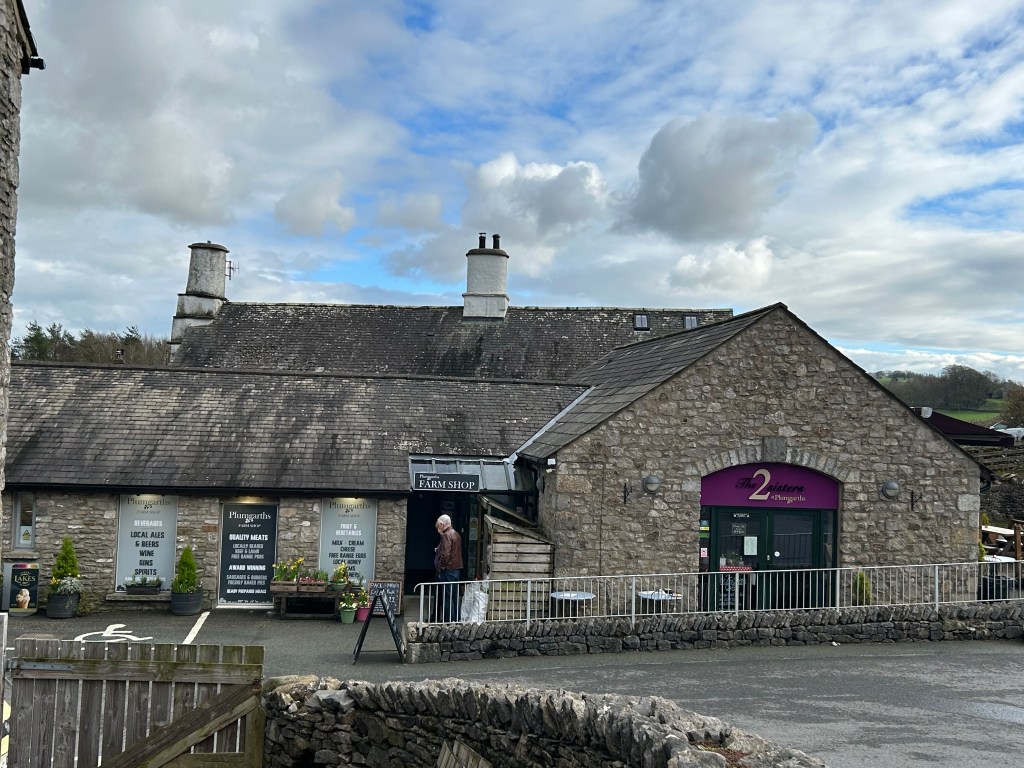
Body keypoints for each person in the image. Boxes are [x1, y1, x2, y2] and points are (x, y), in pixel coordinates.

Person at [433, 514, 463, 622]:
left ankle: (448, 622)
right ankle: (456, 620)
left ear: (442, 524)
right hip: (456, 570)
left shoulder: (446, 535)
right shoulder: (456, 534)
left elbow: (445, 554)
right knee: (455, 597)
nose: (438, 527)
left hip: (448, 570)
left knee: (447, 598)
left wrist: (440, 568)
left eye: (438, 525)